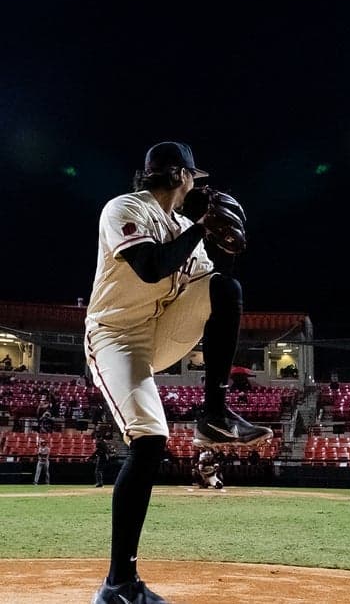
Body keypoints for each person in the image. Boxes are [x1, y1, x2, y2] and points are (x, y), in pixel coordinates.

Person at [84, 141, 272, 604]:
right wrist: (201, 229)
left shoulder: (187, 225)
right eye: (193, 177)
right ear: (178, 175)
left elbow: (208, 289)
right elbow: (150, 267)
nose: (196, 185)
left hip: (160, 330)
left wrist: (215, 238)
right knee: (149, 441)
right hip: (115, 336)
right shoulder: (124, 208)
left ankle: (214, 413)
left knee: (226, 287)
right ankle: (119, 585)